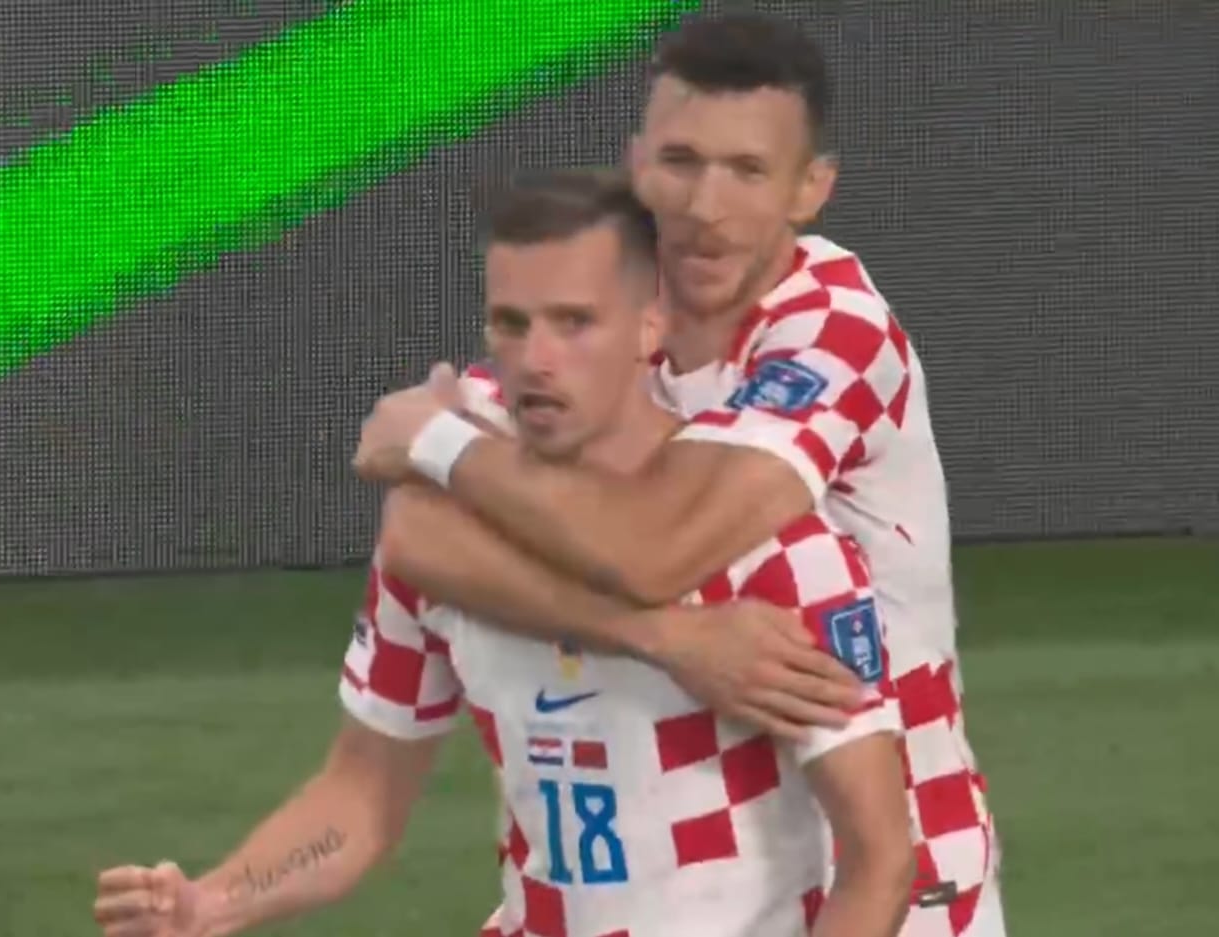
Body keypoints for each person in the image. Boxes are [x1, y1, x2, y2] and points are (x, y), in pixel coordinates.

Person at [95, 169, 914, 937]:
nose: (536, 359)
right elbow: (362, 797)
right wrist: (212, 900)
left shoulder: (776, 554)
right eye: (512, 324)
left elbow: (878, 860)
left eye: (574, 322)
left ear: (652, 323)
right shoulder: (450, 549)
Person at [354, 13, 1003, 937]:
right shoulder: (609, 317)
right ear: (637, 165)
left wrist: (442, 444)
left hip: (889, 877)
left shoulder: (835, 331)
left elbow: (654, 548)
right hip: (682, 876)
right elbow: (422, 536)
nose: (705, 204)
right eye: (681, 161)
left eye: (747, 171)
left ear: (810, 188)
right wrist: (663, 638)